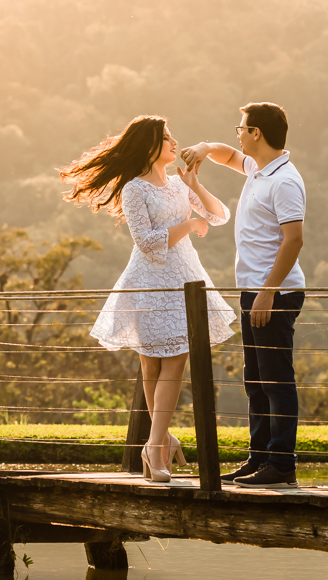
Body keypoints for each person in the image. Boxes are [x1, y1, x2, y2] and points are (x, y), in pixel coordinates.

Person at [61, 115, 236, 483]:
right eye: (167, 138)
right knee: (151, 366)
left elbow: (219, 216)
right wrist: (189, 225)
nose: (175, 143)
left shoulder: (179, 183)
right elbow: (147, 242)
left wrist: (195, 185)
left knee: (175, 360)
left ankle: (154, 446)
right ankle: (159, 441)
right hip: (147, 281)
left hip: (185, 279)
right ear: (150, 145)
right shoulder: (134, 189)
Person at [180, 102, 305, 488]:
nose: (237, 134)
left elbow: (294, 240)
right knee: (256, 380)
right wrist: (205, 148)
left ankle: (282, 465)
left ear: (256, 133)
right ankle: (260, 458)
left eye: (241, 128)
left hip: (274, 294)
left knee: (276, 380)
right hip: (254, 292)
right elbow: (229, 155)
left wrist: (268, 292)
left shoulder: (284, 180)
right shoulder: (258, 167)